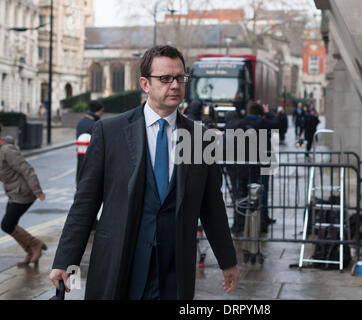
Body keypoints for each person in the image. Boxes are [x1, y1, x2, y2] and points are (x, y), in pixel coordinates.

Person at [49, 45, 239, 300]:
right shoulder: (109, 132)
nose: (174, 85)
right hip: (120, 262)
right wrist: (65, 260)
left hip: (174, 269)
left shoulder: (201, 139)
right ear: (145, 84)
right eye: (165, 78)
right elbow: (85, 202)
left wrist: (228, 260)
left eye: (180, 78)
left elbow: (212, 207)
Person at [0, 123, 47, 266]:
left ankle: (36, 244)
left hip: (24, 192)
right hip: (14, 192)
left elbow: (27, 169)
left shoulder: (7, 150)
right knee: (9, 225)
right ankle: (31, 251)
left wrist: (37, 190)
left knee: (7, 224)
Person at [232, 102, 280, 233]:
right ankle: (261, 221)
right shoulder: (262, 122)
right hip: (260, 162)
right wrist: (267, 113)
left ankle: (240, 223)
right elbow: (277, 123)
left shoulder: (240, 123)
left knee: (242, 193)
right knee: (260, 191)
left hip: (243, 163)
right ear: (260, 113)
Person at [75, 100, 105, 185]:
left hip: (80, 156)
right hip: (92, 160)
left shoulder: (81, 122)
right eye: (102, 111)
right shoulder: (96, 124)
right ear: (98, 111)